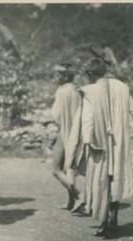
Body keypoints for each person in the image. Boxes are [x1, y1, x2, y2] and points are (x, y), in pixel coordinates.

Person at [73, 57, 133, 236]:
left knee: (101, 180)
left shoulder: (90, 91)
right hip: (119, 141)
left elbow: (88, 119)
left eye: (87, 75)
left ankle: (104, 222)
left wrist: (87, 142)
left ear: (91, 74)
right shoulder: (122, 87)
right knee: (115, 179)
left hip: (100, 142)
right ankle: (113, 219)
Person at [50, 62, 82, 210]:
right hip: (77, 132)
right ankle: (71, 201)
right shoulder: (77, 89)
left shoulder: (61, 91)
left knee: (56, 169)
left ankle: (79, 195)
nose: (55, 77)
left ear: (64, 76)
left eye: (57, 74)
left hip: (64, 131)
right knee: (68, 169)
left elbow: (56, 115)